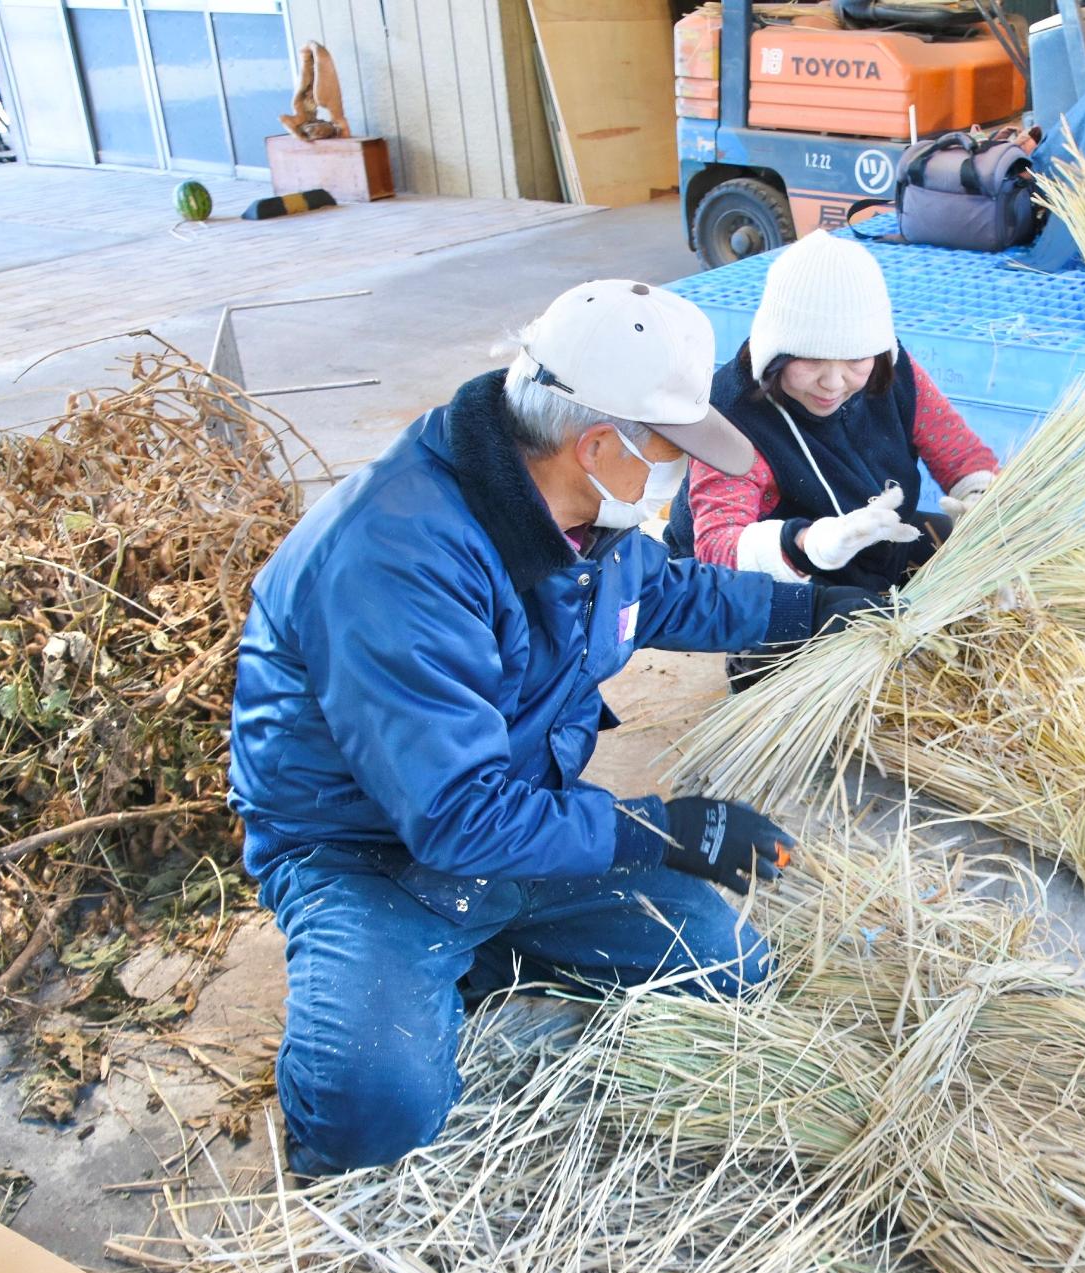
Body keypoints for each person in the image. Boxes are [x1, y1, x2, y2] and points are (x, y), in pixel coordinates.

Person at [228, 280, 879, 1177]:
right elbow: (454, 814)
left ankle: (478, 953)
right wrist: (658, 831)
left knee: (725, 966)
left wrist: (816, 610)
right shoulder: (395, 559)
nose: (681, 478)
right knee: (374, 1110)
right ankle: (402, 965)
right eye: (672, 452)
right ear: (600, 443)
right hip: (370, 852)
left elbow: (671, 590)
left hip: (524, 821)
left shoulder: (580, 507)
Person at [665, 230, 1000, 610]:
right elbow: (718, 547)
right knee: (857, 616)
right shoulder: (733, 416)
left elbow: (961, 454)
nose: (833, 382)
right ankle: (758, 658)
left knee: (977, 562)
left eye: (854, 360)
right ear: (776, 351)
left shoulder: (888, 368)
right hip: (754, 578)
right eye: (810, 360)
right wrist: (810, 543)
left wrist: (981, 503)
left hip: (871, 546)